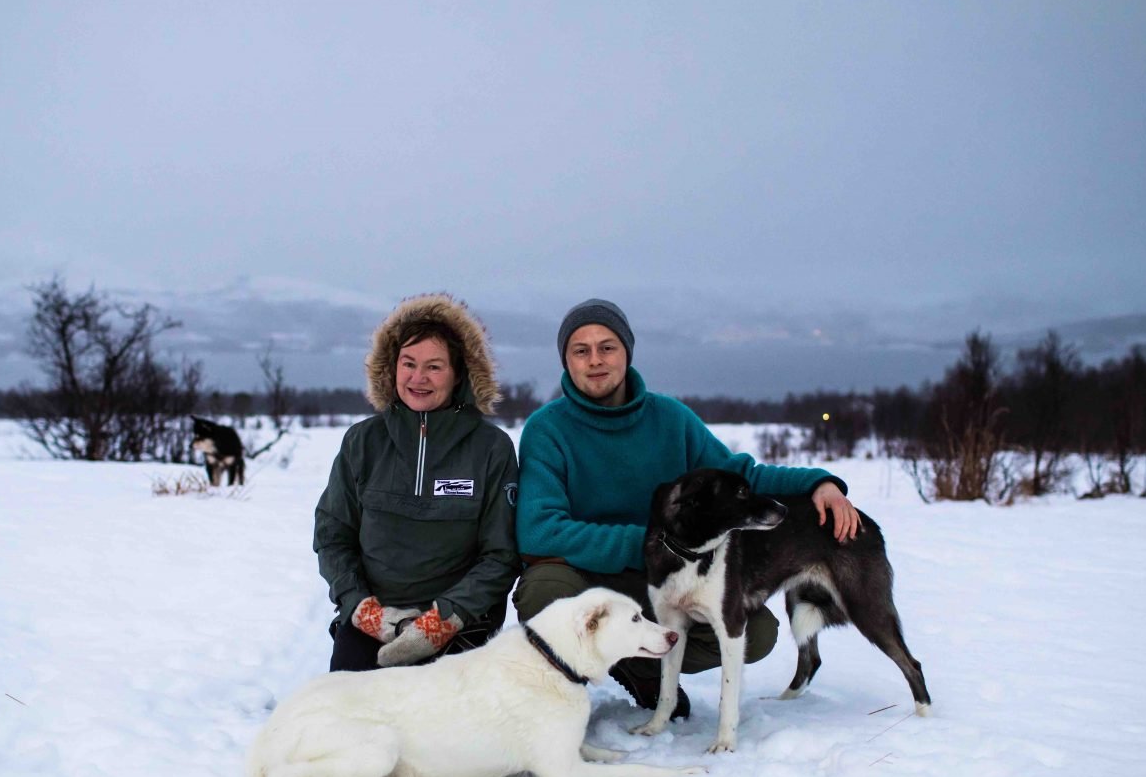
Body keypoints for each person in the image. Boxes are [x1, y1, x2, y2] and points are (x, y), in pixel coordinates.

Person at [513, 298, 860, 716]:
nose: (595, 360)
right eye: (580, 350)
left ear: (627, 352)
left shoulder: (671, 419)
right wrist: (649, 543)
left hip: (668, 579)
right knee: (541, 592)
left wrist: (817, 482)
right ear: (566, 360)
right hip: (587, 576)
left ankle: (643, 668)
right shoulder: (547, 429)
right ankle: (562, 695)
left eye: (607, 347)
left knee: (757, 632)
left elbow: (738, 475)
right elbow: (540, 529)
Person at [314, 294, 520, 672]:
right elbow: (332, 534)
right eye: (408, 364)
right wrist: (362, 609)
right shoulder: (362, 442)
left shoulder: (492, 449)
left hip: (461, 622)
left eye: (434, 367)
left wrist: (444, 619)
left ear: (460, 374)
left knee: (441, 726)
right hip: (374, 619)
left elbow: (501, 555)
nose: (418, 378)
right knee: (353, 715)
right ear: (391, 369)